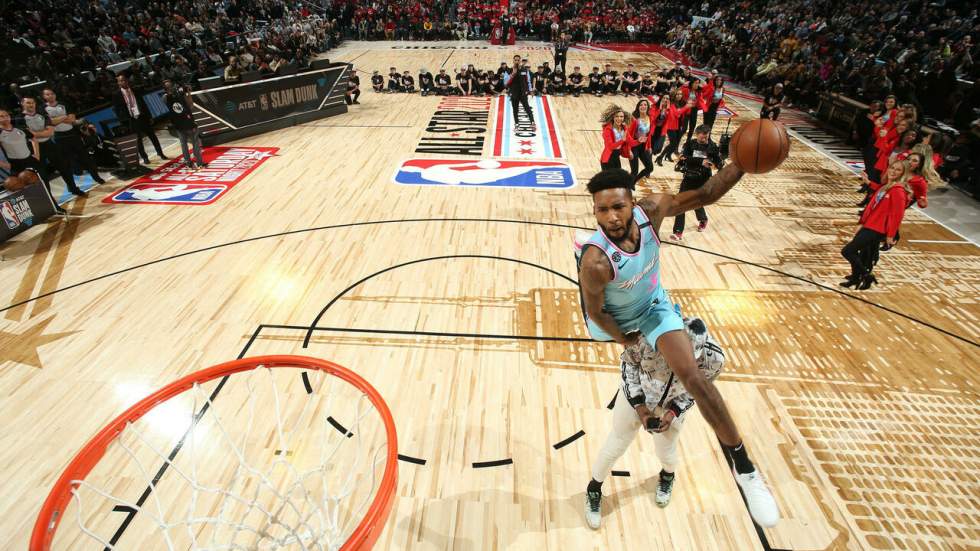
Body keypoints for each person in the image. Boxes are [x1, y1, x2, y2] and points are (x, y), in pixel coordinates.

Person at [578, 166, 779, 530]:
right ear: (594, 211)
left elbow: (705, 194)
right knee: (618, 434)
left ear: (633, 203)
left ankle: (745, 468)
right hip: (613, 323)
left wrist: (740, 165)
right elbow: (596, 312)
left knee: (695, 377)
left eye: (618, 207)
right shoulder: (595, 262)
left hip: (653, 306)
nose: (611, 217)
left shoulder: (653, 212)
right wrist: (625, 339)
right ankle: (595, 484)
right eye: (602, 211)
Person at [581, 310, 725, 528]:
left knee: (666, 452)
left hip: (670, 407)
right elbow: (629, 366)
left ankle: (667, 476)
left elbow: (698, 389)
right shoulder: (646, 338)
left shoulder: (714, 359)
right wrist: (639, 406)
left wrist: (674, 411)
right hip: (635, 399)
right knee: (616, 444)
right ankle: (594, 488)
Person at [842, 160, 910, 289]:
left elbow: (897, 215)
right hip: (869, 224)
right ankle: (856, 279)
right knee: (857, 252)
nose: (893, 171)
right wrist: (868, 182)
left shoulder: (898, 191)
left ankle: (867, 276)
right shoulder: (887, 186)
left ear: (903, 173)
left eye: (898, 170)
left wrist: (890, 235)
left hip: (877, 229)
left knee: (848, 251)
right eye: (892, 168)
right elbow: (875, 198)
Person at [0, 108, 67, 212]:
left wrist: (36, 154)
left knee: (44, 185)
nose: (5, 118)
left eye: (6, 115)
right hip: (16, 165)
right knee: (24, 191)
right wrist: (5, 165)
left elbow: (33, 139)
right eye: (1, 116)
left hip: (31, 161)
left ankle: (55, 207)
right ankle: (38, 212)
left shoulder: (20, 128)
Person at [22, 96, 87, 197]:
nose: (31, 105)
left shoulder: (42, 114)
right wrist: (42, 132)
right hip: (35, 148)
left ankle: (73, 188)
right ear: (23, 104)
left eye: (33, 102)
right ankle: (49, 198)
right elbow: (28, 135)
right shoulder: (19, 118)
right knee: (42, 175)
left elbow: (50, 132)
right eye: (28, 103)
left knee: (64, 167)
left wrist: (36, 133)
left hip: (49, 144)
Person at [42, 88, 105, 186]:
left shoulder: (64, 104)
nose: (50, 96)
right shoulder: (43, 108)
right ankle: (73, 186)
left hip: (72, 134)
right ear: (44, 97)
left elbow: (72, 119)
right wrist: (63, 117)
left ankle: (97, 177)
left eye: (52, 93)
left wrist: (56, 119)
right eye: (47, 94)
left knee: (86, 157)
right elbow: (50, 122)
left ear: (55, 94)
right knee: (67, 163)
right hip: (59, 137)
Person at [671, 125, 721, 240]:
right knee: (680, 203)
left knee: (696, 202)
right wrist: (701, 161)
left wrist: (718, 164)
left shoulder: (712, 147)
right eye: (703, 136)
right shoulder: (690, 144)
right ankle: (678, 231)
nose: (705, 139)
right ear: (697, 134)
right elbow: (684, 158)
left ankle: (703, 219)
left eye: (707, 136)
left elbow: (718, 163)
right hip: (689, 176)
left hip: (703, 179)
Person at [111, 73, 168, 164]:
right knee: (139, 141)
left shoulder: (135, 90)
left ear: (127, 80)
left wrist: (149, 116)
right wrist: (124, 121)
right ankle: (145, 157)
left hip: (142, 117)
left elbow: (144, 104)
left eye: (124, 80)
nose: (123, 82)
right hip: (132, 120)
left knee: (153, 136)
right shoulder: (116, 95)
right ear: (118, 83)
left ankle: (160, 153)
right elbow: (117, 110)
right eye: (120, 81)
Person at [163, 79, 206, 169]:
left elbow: (190, 105)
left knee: (193, 143)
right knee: (187, 144)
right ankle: (191, 163)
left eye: (171, 86)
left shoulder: (179, 94)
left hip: (186, 122)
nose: (171, 88)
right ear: (166, 89)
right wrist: (181, 90)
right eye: (169, 87)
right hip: (180, 124)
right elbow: (169, 97)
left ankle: (198, 162)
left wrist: (188, 93)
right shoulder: (166, 97)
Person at [628, 99, 655, 185]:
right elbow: (628, 135)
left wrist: (649, 146)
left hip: (643, 146)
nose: (643, 106)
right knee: (634, 171)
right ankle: (628, 186)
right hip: (634, 146)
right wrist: (628, 150)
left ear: (647, 107)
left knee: (650, 168)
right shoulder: (634, 119)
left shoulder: (650, 118)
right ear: (638, 107)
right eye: (641, 105)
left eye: (645, 105)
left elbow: (649, 134)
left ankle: (634, 181)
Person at [504, 54, 534, 129]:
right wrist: (513, 74)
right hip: (514, 93)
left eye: (518, 60)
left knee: (527, 108)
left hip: (523, 93)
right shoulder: (509, 71)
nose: (517, 61)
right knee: (515, 109)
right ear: (513, 61)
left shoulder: (524, 70)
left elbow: (528, 81)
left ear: (520, 61)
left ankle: (532, 122)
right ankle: (517, 124)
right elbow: (506, 83)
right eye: (515, 60)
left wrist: (530, 90)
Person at [599, 104, 632, 171]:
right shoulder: (607, 130)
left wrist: (639, 141)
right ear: (613, 117)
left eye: (621, 116)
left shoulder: (624, 128)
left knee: (618, 179)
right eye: (616, 116)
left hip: (616, 158)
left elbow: (630, 141)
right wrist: (622, 140)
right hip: (607, 159)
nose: (619, 118)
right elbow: (611, 146)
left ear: (624, 118)